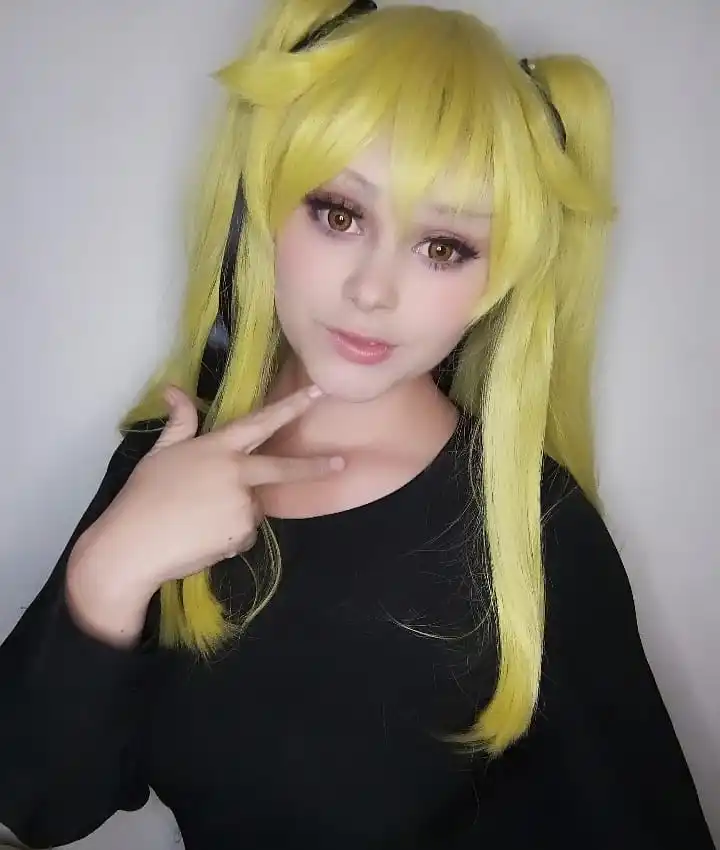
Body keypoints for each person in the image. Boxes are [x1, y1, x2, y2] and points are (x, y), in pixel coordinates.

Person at [0, 1, 715, 848]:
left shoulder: (533, 533)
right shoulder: (165, 464)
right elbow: (36, 805)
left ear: (501, 277)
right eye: (340, 214)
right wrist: (108, 572)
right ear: (265, 204)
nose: (373, 291)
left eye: (443, 247)